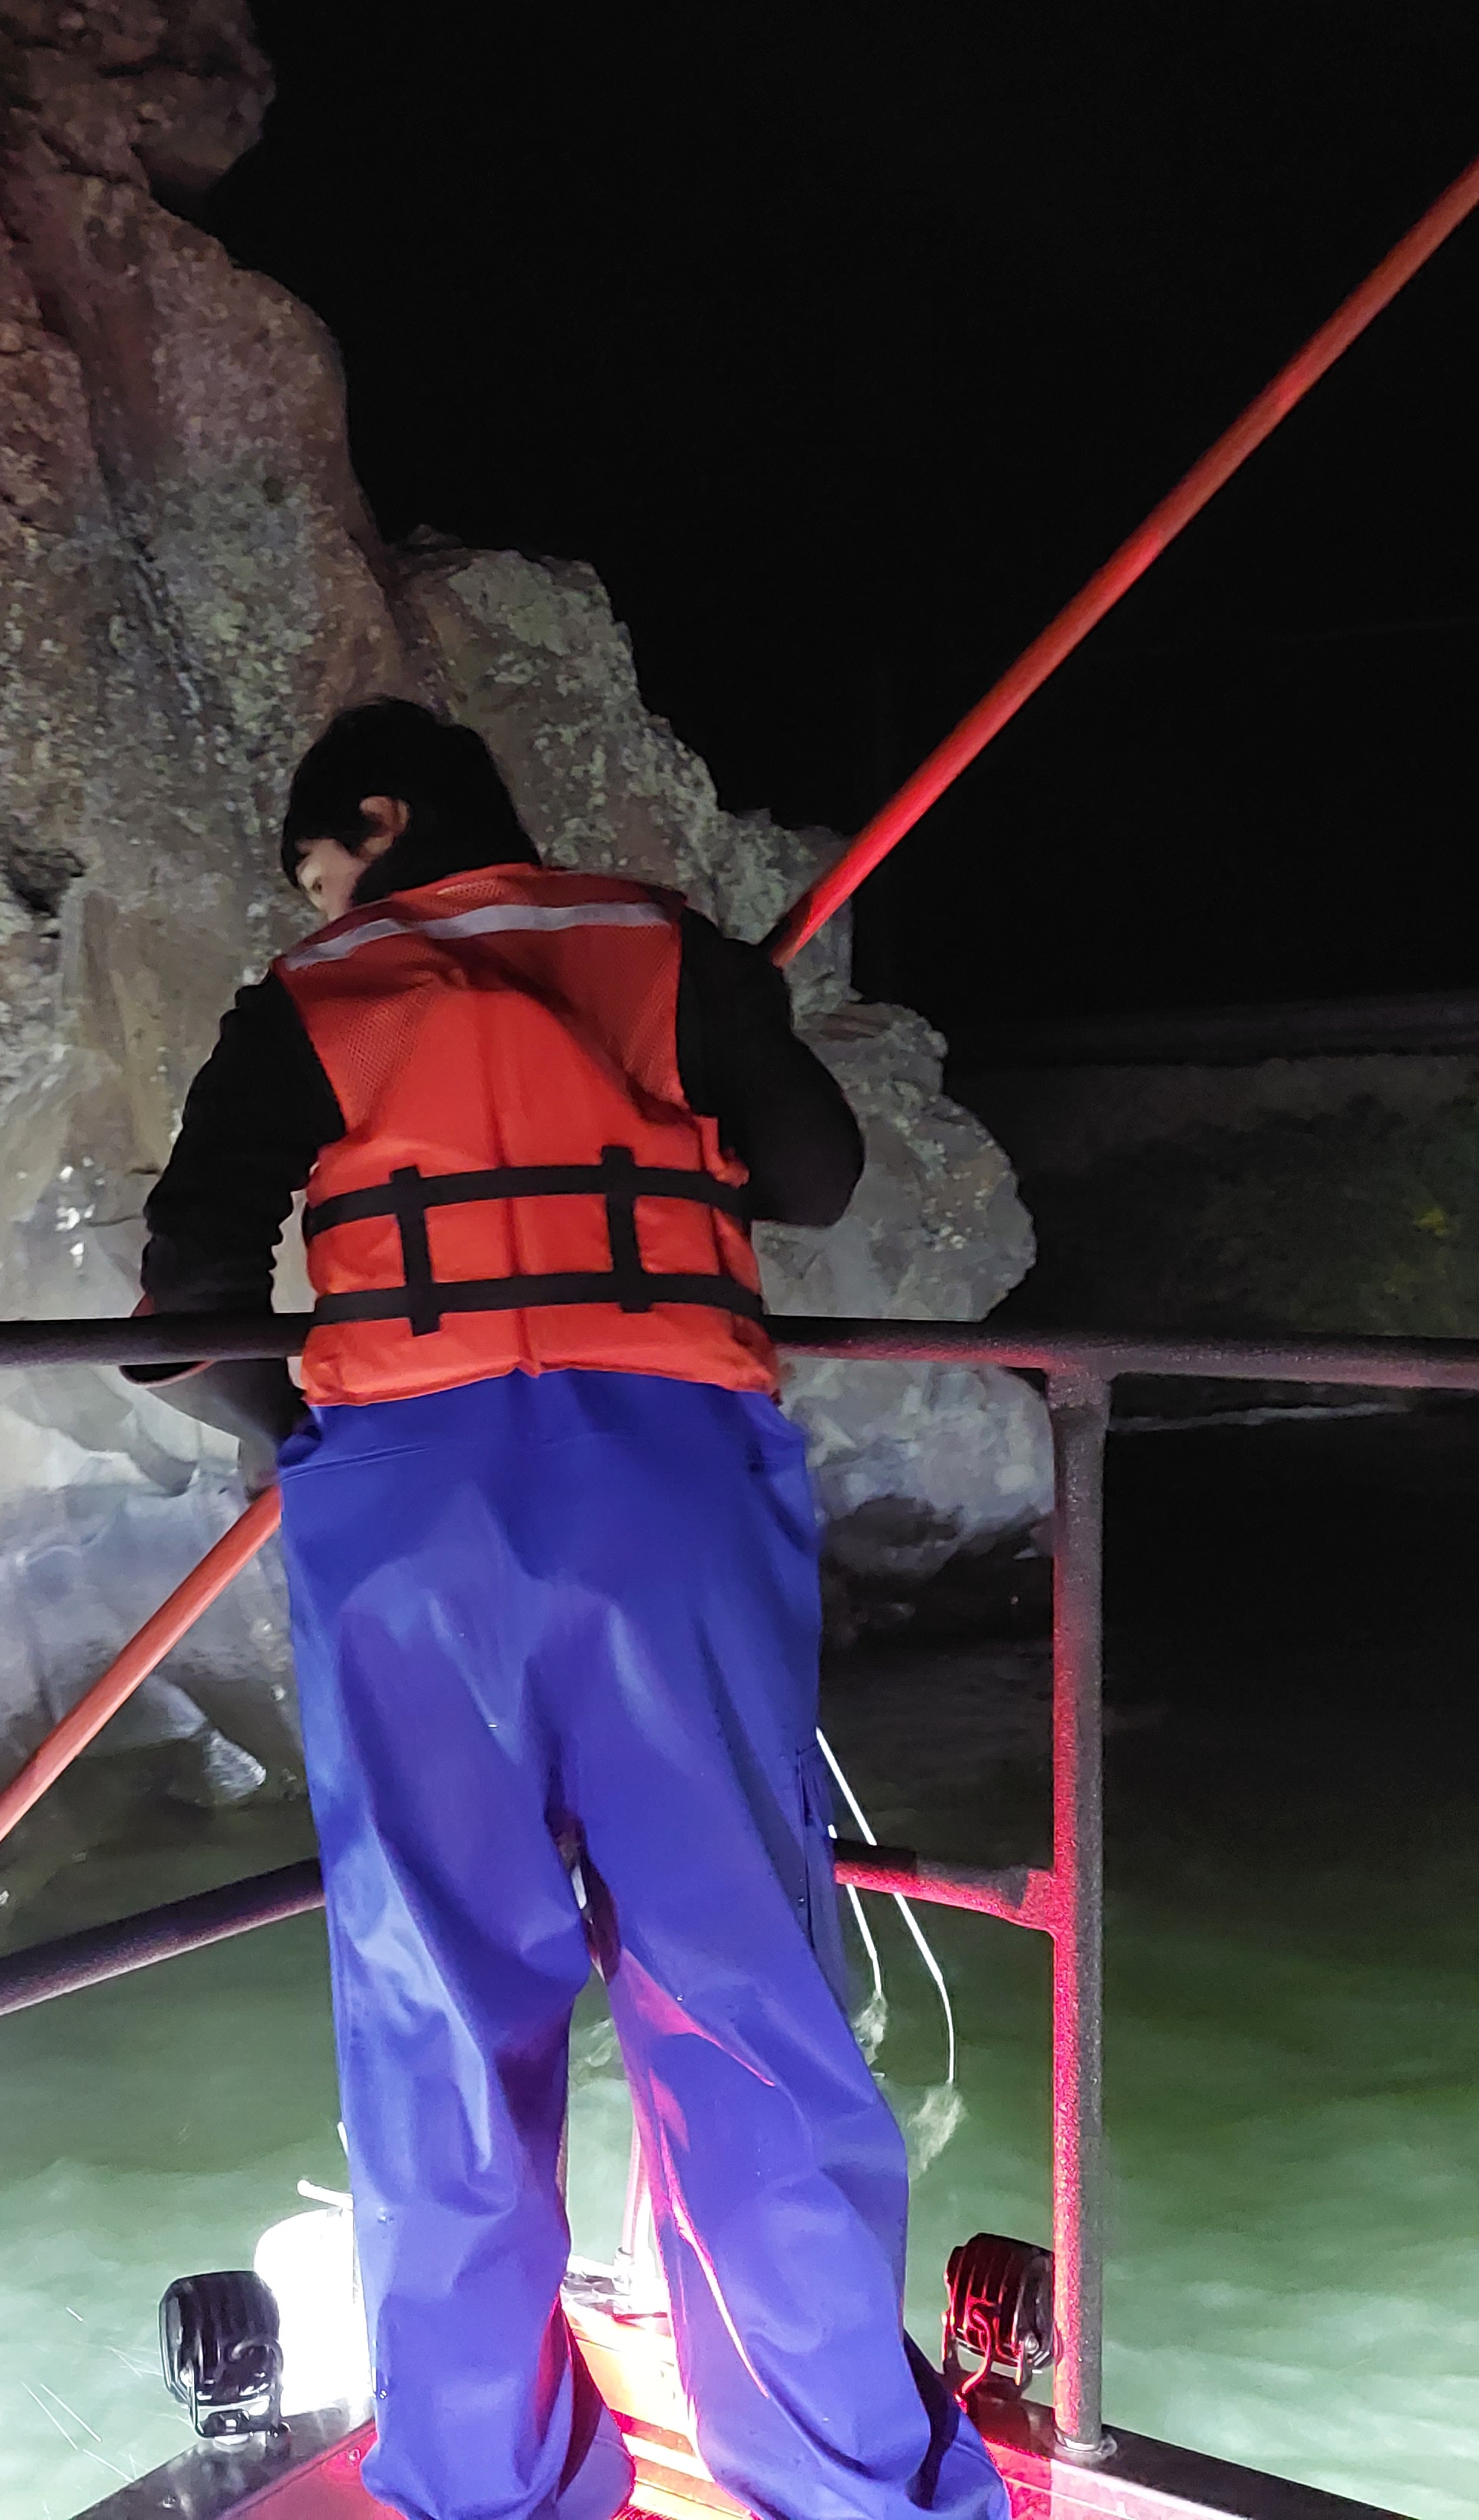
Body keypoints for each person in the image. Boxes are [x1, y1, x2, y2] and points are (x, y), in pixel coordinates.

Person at [130, 700, 1008, 2520]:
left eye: (315, 863)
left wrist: (307, 1431)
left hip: (412, 1526)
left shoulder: (311, 997)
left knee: (441, 2007)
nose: (314, 899)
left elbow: (184, 1307)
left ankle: (491, 2477)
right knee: (741, 1997)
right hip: (670, 1496)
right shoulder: (657, 949)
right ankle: (839, 2473)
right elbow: (818, 1181)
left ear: (377, 819)